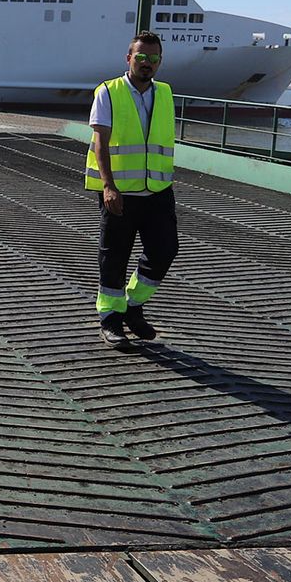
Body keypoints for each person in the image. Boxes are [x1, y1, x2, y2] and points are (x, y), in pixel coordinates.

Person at [85, 31, 177, 348]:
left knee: (165, 250)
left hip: (158, 190)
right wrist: (109, 186)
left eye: (153, 58)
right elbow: (101, 142)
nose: (147, 63)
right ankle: (111, 319)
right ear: (129, 58)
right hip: (120, 190)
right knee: (114, 256)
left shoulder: (165, 93)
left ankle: (132, 304)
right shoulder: (108, 92)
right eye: (141, 57)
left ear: (160, 62)